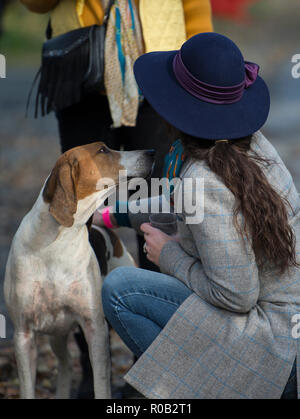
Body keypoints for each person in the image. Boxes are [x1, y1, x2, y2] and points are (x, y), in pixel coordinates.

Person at [20, 0, 213, 398]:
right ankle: (94, 368)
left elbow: (194, 5)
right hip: (79, 67)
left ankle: (160, 365)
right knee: (81, 217)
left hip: (162, 66)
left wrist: (198, 72)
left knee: (161, 213)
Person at [100, 32, 300, 399]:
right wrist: (111, 215)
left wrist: (169, 255)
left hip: (276, 353)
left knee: (120, 289)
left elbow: (238, 296)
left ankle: (184, 390)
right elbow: (182, 202)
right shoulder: (248, 144)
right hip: (289, 335)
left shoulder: (202, 180)